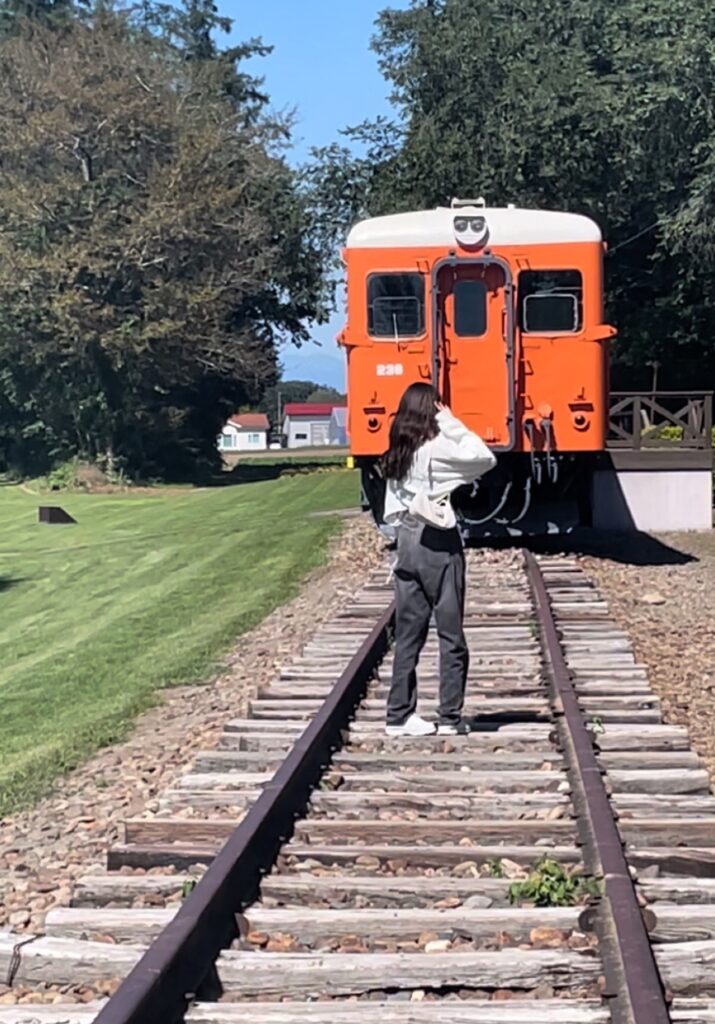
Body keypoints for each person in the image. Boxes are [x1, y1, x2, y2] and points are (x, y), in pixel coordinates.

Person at [381, 382, 496, 737]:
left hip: (406, 541)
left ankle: (399, 716)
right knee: (450, 633)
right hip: (436, 540)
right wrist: (450, 420)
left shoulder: (400, 448)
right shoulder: (438, 447)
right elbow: (484, 457)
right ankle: (449, 717)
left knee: (409, 632)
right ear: (432, 408)